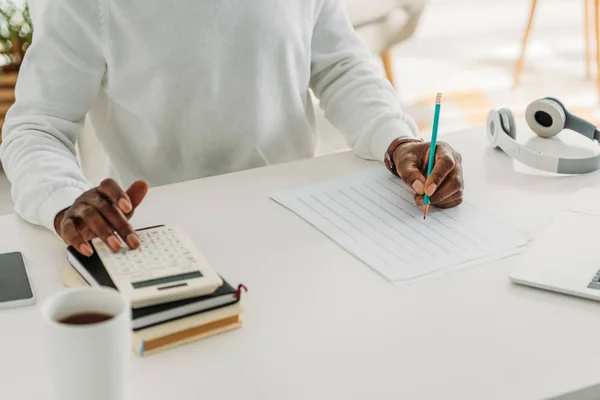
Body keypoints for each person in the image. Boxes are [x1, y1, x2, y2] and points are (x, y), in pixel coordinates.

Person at [0, 0, 463, 257]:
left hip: (302, 223)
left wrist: (396, 138)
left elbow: (339, 66)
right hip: (163, 239)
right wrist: (64, 200)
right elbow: (38, 127)